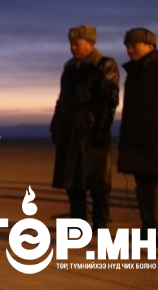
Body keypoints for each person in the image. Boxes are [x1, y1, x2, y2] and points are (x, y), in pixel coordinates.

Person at [49, 25, 119, 231]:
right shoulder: (70, 67)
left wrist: (101, 128)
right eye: (70, 44)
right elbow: (62, 99)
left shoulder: (103, 65)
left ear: (90, 44)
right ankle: (78, 224)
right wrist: (56, 123)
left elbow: (109, 101)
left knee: (97, 181)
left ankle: (100, 223)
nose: (72, 48)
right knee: (73, 181)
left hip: (90, 127)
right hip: (70, 129)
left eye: (76, 44)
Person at [117, 28, 158, 244]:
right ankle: (150, 230)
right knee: (145, 188)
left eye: (134, 45)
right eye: (127, 46)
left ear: (150, 46)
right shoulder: (134, 73)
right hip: (139, 141)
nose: (129, 49)